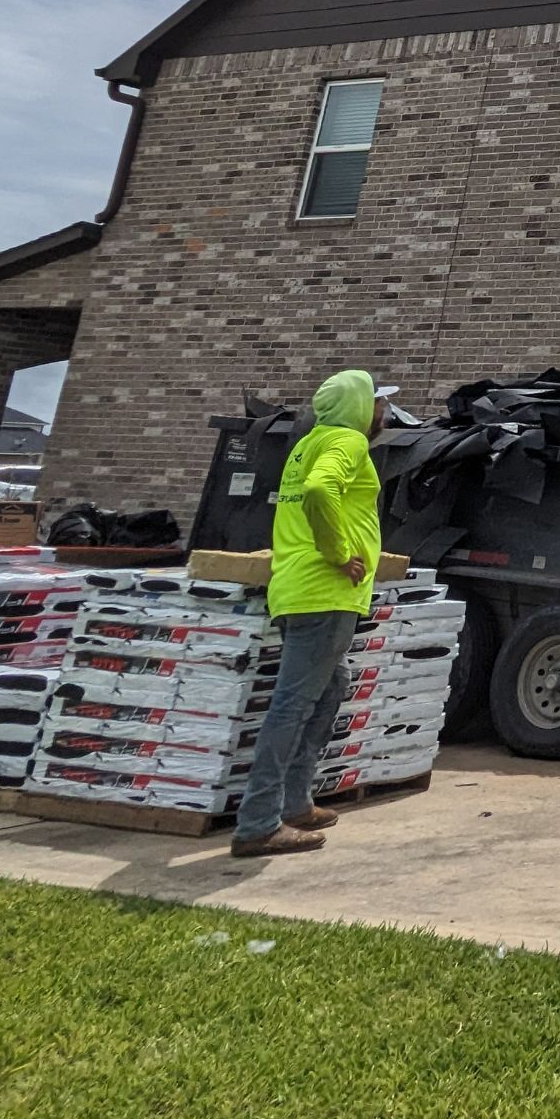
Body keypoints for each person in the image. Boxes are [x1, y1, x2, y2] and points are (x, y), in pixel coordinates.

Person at [230, 367, 394, 858]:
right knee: (292, 705)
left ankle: (296, 801)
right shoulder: (347, 442)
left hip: (298, 590)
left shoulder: (310, 442)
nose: (384, 411)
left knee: (331, 688)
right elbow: (323, 493)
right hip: (325, 592)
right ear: (359, 407)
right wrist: (342, 554)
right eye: (378, 402)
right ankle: (258, 822)